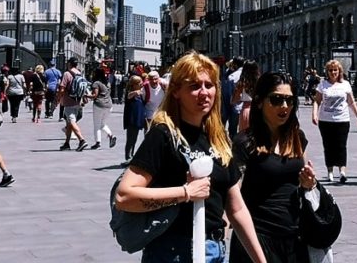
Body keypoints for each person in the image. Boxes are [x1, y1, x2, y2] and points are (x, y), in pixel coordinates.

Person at [115, 51, 268, 263]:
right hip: (172, 251)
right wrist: (186, 192)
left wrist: (260, 260)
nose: (204, 92)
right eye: (194, 86)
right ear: (176, 91)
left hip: (215, 251)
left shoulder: (218, 138)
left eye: (209, 85)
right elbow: (124, 197)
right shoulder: (163, 134)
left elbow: (237, 208)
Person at [231, 71, 318, 263]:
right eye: (276, 99)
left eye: (289, 100)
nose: (284, 106)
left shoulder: (297, 138)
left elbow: (304, 180)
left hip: (294, 237)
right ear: (260, 102)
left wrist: (309, 182)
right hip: (257, 237)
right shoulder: (245, 142)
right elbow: (233, 191)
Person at [312, 59, 357, 183]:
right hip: (326, 120)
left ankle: (342, 172)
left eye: (335, 70)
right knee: (328, 146)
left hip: (342, 119)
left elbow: (350, 102)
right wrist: (314, 114)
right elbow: (317, 101)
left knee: (341, 146)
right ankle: (330, 171)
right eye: (330, 70)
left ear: (339, 71)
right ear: (327, 72)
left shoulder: (345, 84)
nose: (333, 72)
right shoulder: (323, 84)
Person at [56, 58, 89, 151]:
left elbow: (62, 88)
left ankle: (82, 140)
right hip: (78, 101)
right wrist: (85, 98)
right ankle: (67, 143)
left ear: (69, 64)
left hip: (68, 101)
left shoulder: (67, 74)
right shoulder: (79, 73)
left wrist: (58, 99)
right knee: (68, 123)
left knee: (71, 121)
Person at [89, 66, 117, 150]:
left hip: (99, 105)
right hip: (109, 105)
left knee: (97, 125)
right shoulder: (107, 82)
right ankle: (111, 135)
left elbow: (94, 95)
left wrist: (86, 95)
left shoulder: (96, 83)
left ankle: (98, 142)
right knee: (102, 124)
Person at [123, 74, 147, 164]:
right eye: (140, 82)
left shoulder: (140, 92)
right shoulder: (131, 93)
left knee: (134, 138)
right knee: (131, 138)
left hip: (138, 118)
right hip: (132, 119)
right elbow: (129, 95)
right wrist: (136, 92)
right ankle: (128, 157)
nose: (142, 84)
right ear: (134, 84)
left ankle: (131, 156)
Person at [232, 60, 259, 133]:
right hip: (257, 111)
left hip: (246, 110)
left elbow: (234, 100)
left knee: (244, 135)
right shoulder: (260, 81)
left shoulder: (242, 82)